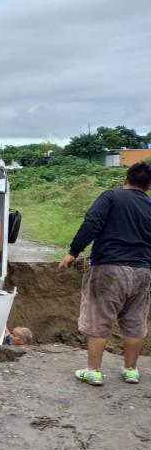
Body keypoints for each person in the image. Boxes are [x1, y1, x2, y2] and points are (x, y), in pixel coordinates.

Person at [59, 162, 151, 386]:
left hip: (109, 267)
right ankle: (130, 371)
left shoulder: (111, 196)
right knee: (134, 320)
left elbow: (92, 223)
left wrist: (73, 252)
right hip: (143, 270)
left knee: (99, 317)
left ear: (125, 180)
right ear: (148, 186)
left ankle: (93, 371)